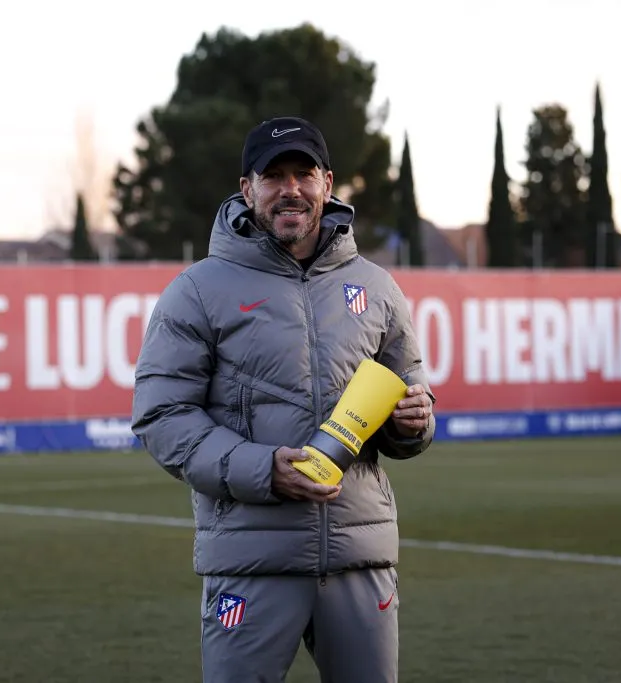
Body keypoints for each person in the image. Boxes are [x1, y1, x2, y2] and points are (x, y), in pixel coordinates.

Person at [131, 115, 436, 683]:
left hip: (358, 557)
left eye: (304, 174)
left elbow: (410, 401)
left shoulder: (377, 288)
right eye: (274, 176)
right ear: (248, 190)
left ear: (327, 182)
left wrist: (413, 422)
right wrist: (263, 470)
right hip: (251, 563)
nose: (290, 189)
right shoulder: (196, 290)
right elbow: (162, 417)